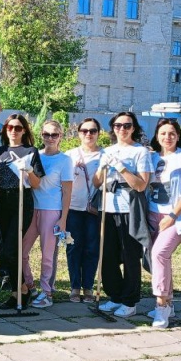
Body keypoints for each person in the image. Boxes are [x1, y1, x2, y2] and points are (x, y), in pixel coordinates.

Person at [93, 112, 152, 319]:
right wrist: (102, 167)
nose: (122, 129)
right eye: (118, 125)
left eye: (127, 125)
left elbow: (141, 185)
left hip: (129, 209)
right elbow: (97, 183)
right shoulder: (107, 150)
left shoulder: (140, 152)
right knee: (107, 256)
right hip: (108, 207)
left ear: (133, 128)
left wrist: (121, 167)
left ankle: (130, 300)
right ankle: (115, 296)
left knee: (129, 256)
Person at [146, 118, 181, 329]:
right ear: (157, 136)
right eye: (163, 133)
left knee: (160, 254)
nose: (167, 137)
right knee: (158, 259)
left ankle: (161, 308)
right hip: (152, 213)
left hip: (176, 217)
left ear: (178, 136)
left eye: (171, 133)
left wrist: (173, 215)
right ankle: (168, 302)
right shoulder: (151, 158)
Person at [0, 113, 43, 308]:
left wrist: (28, 170)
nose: (14, 131)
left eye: (18, 128)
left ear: (24, 130)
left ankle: (21, 290)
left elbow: (37, 184)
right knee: (4, 250)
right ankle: (18, 291)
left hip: (23, 199)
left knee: (12, 249)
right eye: (10, 127)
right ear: (5, 130)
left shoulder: (31, 151)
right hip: (3, 201)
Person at [21, 120, 73, 309]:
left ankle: (47, 293)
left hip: (51, 211)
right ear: (41, 135)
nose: (50, 138)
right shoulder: (34, 155)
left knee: (47, 255)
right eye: (46, 134)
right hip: (31, 208)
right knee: (21, 251)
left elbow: (67, 192)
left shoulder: (64, 160)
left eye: (54, 135)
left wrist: (63, 218)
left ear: (61, 136)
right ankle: (30, 285)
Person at [65, 118, 103, 303]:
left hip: (93, 209)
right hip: (73, 207)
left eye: (93, 130)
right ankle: (74, 287)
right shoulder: (70, 155)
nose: (89, 134)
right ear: (78, 133)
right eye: (85, 130)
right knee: (73, 248)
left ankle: (88, 287)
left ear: (98, 133)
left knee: (91, 248)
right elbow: (62, 182)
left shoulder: (104, 156)